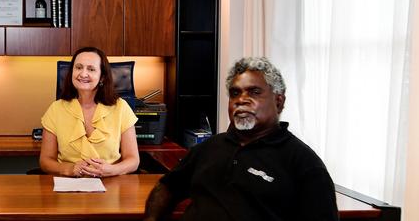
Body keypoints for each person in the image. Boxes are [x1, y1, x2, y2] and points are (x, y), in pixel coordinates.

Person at [144, 57, 339, 221]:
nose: (241, 99)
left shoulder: (303, 163)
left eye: (254, 92)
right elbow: (167, 187)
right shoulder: (209, 148)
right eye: (235, 93)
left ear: (279, 102)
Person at [39, 46, 140, 177]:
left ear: (102, 77)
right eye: (78, 67)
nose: (83, 74)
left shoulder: (121, 107)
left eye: (91, 69)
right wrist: (70, 169)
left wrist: (111, 170)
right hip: (68, 186)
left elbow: (133, 160)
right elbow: (45, 161)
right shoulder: (56, 109)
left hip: (110, 184)